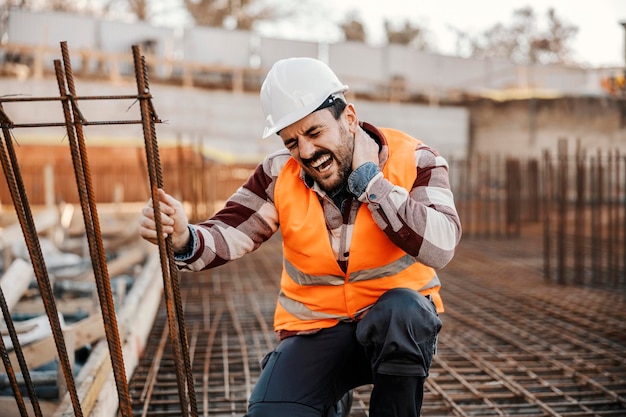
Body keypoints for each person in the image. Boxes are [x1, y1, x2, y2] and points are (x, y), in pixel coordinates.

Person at [139, 57, 462, 417]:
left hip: (394, 332)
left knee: (404, 311)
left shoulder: (416, 159)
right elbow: (231, 230)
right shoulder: (280, 173)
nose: (305, 152)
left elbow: (442, 244)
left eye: (314, 133)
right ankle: (330, 398)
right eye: (292, 141)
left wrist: (373, 183)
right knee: (271, 412)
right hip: (315, 329)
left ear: (349, 118)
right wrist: (184, 236)